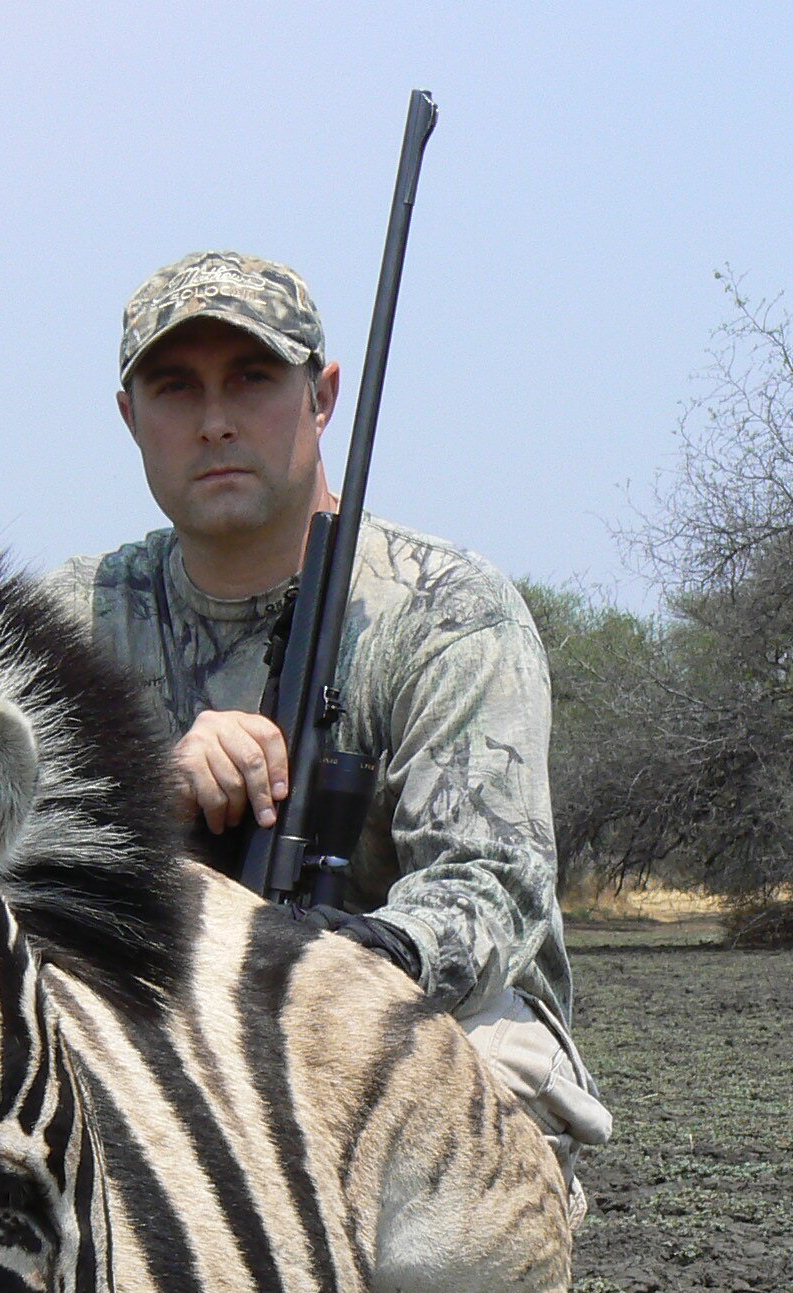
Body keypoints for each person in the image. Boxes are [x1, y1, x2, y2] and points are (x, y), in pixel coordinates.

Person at [42, 251, 610, 1198]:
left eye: (253, 379)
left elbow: (493, 886)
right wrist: (146, 790)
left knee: (443, 1204)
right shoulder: (67, 617)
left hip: (416, 1021)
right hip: (146, 1018)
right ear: (129, 417)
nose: (216, 420)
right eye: (176, 388)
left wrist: (310, 972)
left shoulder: (447, 610)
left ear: (323, 396)